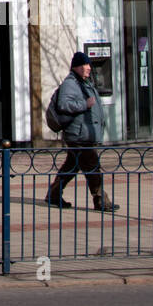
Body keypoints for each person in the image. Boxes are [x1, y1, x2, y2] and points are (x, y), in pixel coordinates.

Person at [47, 51, 118, 212]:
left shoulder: (83, 82)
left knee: (71, 167)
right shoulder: (71, 84)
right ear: (77, 67)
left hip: (82, 134)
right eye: (85, 65)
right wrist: (84, 105)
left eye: (88, 65)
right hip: (79, 136)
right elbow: (64, 105)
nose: (88, 68)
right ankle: (101, 200)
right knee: (93, 167)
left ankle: (53, 194)